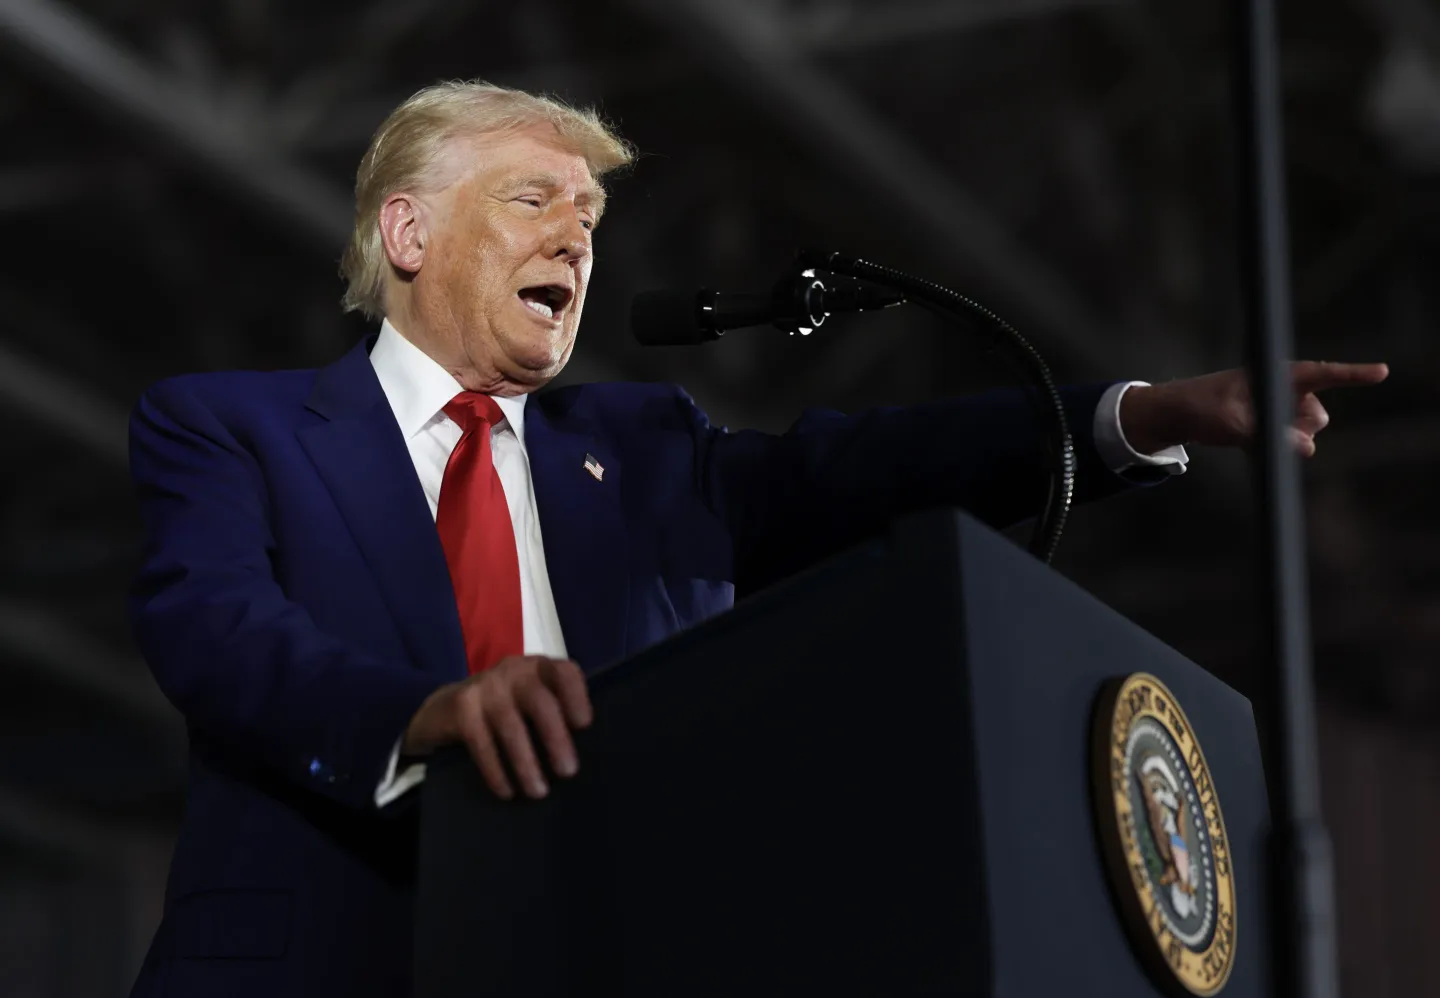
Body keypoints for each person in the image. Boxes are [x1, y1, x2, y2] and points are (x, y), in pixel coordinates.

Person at [124, 81, 1386, 997]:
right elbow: (218, 634)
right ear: (409, 234)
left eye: (591, 218)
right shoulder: (229, 428)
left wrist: (1136, 415)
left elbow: (866, 467)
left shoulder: (646, 449)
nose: (578, 236)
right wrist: (428, 713)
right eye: (534, 200)